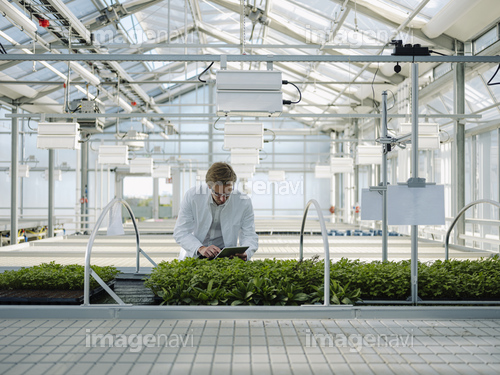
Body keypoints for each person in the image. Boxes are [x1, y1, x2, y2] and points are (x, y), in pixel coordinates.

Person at [173, 162, 258, 261]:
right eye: (217, 194)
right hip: (197, 251)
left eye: (227, 193)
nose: (223, 199)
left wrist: (246, 253)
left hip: (228, 257)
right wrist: (201, 248)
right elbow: (181, 231)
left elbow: (249, 234)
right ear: (209, 186)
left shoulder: (243, 201)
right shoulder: (193, 197)